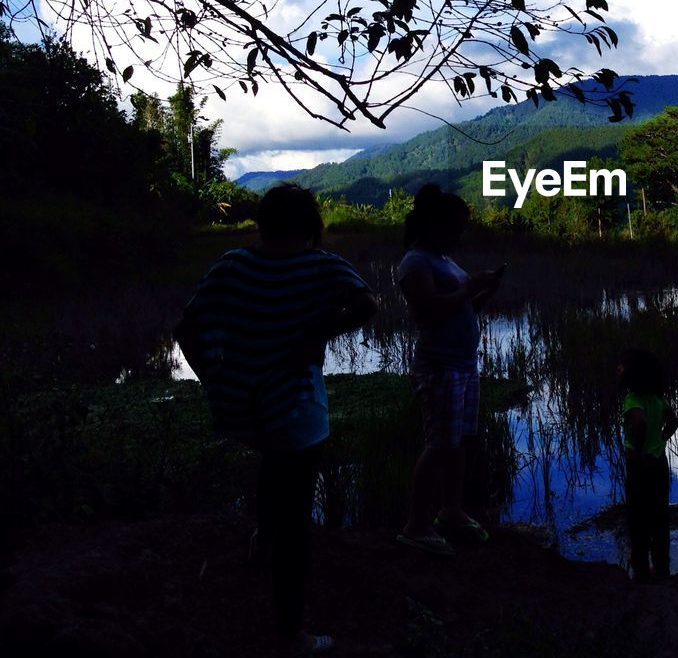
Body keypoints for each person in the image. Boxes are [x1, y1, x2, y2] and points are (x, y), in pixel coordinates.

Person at [175, 183, 377, 658]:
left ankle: (261, 542)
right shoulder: (321, 266)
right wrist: (318, 330)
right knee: (296, 524)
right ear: (310, 226)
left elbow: (186, 329)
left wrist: (213, 379)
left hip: (244, 409)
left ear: (261, 222)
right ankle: (292, 636)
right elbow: (369, 303)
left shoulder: (232, 264)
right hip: (297, 411)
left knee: (273, 468)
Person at [397, 184, 502, 556]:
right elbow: (427, 309)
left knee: (458, 443)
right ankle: (417, 524)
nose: (458, 236)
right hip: (439, 365)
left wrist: (482, 291)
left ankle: (451, 510)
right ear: (432, 225)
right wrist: (469, 287)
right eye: (454, 228)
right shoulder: (416, 262)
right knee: (439, 444)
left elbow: (461, 308)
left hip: (463, 364)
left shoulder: (443, 259)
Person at [618, 347, 678, 580]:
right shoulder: (658, 399)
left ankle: (641, 570)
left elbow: (641, 423)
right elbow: (674, 421)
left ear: (633, 374)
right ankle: (661, 565)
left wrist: (640, 450)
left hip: (640, 465)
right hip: (659, 462)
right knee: (659, 513)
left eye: (622, 366)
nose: (618, 369)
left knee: (638, 513)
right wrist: (662, 439)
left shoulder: (632, 400)